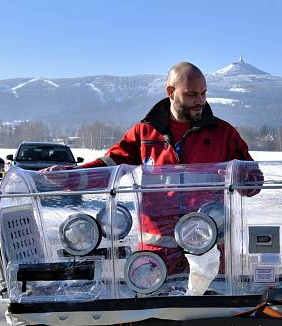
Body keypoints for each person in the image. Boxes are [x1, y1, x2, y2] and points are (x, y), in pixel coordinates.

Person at [74, 61, 258, 275]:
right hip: (156, 255)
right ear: (171, 91)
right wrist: (71, 177)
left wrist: (239, 177)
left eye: (203, 93)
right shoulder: (145, 133)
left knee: (210, 306)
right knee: (156, 309)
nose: (200, 101)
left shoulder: (224, 134)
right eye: (192, 94)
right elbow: (110, 165)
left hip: (207, 251)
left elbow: (254, 181)